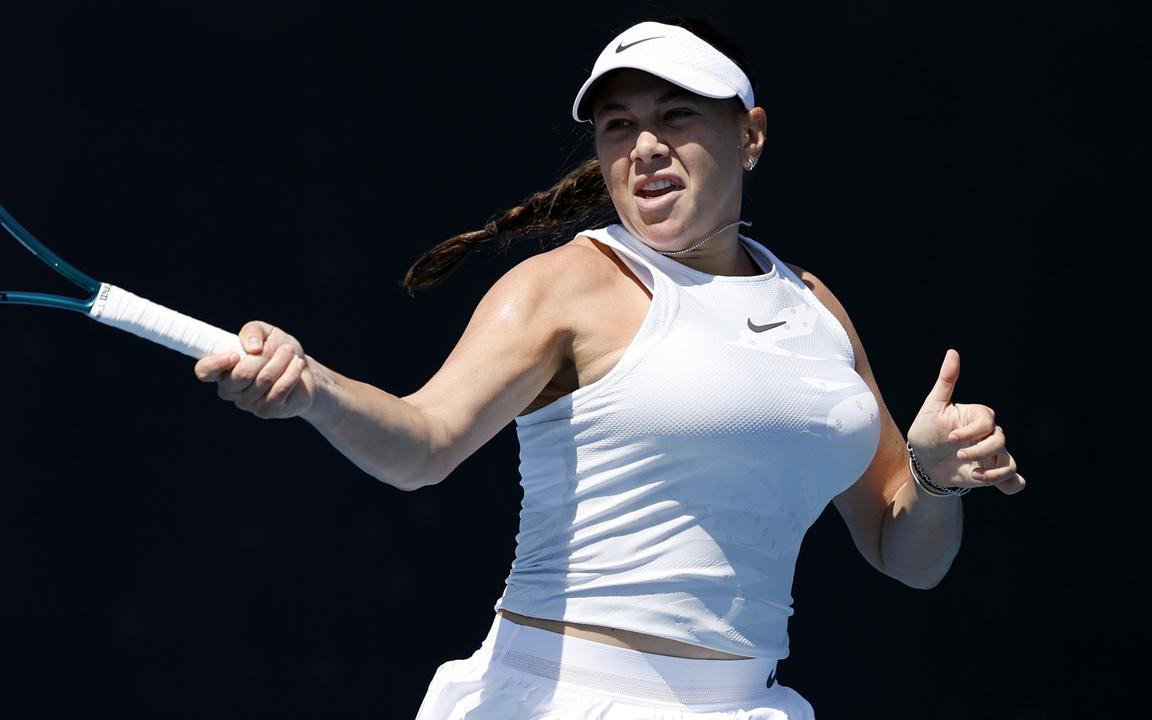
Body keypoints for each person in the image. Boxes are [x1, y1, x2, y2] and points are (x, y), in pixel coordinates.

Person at [193, 15, 1026, 719]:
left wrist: (935, 476)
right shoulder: (565, 285)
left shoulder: (813, 304)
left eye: (676, 114)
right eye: (619, 125)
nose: (646, 146)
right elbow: (424, 442)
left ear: (752, 134)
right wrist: (315, 390)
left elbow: (903, 548)